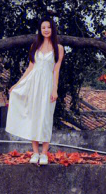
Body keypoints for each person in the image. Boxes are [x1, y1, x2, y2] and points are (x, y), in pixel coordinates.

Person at [5, 17, 63, 165]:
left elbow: (56, 70)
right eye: (43, 27)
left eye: (48, 27)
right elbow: (30, 68)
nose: (46, 30)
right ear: (40, 30)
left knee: (45, 118)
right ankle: (35, 153)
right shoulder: (35, 46)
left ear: (52, 29)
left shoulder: (59, 48)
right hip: (33, 84)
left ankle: (44, 153)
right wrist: (17, 85)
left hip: (47, 85)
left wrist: (54, 90)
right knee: (34, 117)